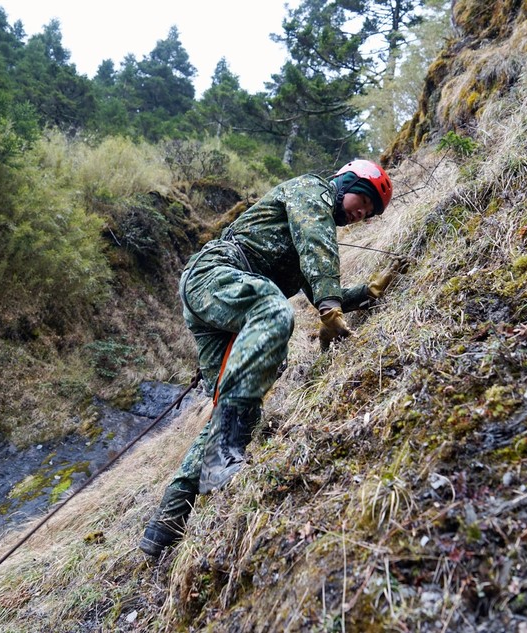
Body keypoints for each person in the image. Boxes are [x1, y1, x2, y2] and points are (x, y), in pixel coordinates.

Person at [139, 159, 400, 558]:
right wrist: (331, 307)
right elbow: (317, 242)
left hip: (226, 298)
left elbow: (317, 287)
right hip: (216, 273)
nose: (362, 213)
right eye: (364, 200)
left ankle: (167, 523)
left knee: (238, 408)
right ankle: (223, 456)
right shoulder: (312, 190)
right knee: (275, 311)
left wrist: (365, 293)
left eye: (369, 213)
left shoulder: (313, 218)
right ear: (347, 181)